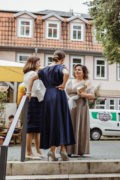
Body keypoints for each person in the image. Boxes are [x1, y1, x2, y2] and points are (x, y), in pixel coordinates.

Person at [27, 50, 75, 161]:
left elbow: (31, 79)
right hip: (58, 95)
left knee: (51, 122)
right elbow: (66, 74)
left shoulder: (44, 69)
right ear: (62, 59)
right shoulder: (60, 67)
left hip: (48, 96)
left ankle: (52, 151)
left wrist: (28, 92)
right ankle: (62, 149)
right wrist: (63, 85)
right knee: (61, 121)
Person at [66, 64, 95, 156]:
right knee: (69, 126)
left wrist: (84, 95)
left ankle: (79, 150)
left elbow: (92, 96)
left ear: (83, 72)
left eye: (79, 70)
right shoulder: (70, 81)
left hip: (80, 107)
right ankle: (68, 150)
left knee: (79, 126)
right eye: (76, 70)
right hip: (69, 105)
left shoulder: (86, 82)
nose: (77, 71)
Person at [23, 56, 46, 159]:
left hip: (33, 100)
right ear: (33, 63)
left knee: (36, 129)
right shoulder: (33, 74)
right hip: (35, 100)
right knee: (31, 128)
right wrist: (44, 100)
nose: (39, 64)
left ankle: (37, 151)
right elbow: (36, 89)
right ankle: (28, 152)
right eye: (38, 62)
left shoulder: (27, 74)